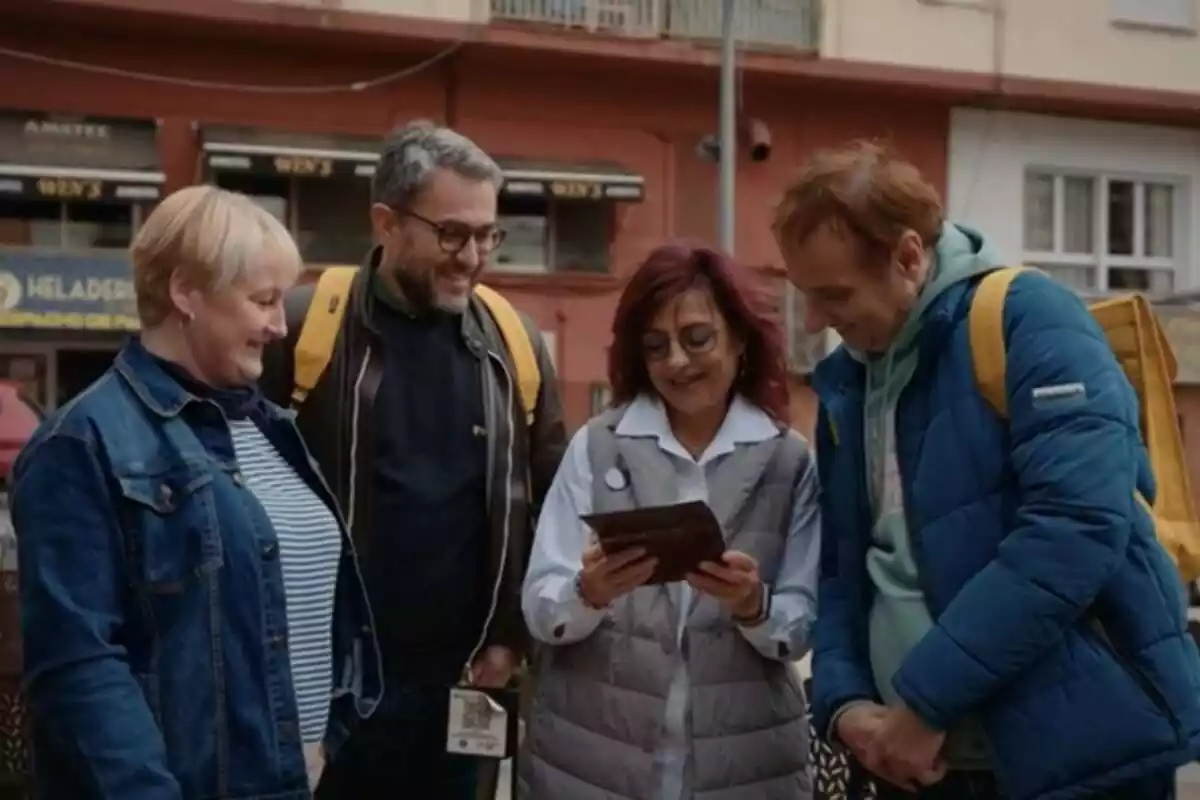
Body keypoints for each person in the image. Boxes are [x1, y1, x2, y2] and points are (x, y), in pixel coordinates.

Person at [776, 140, 1200, 800]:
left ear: (908, 256)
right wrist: (845, 703)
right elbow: (841, 570)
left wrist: (924, 704)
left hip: (1076, 761)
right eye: (805, 296)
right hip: (912, 762)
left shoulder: (1031, 320)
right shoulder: (848, 384)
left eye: (833, 294)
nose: (817, 320)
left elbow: (1075, 531)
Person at [11, 185, 382, 799]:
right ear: (186, 292)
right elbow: (78, 664)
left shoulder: (273, 428)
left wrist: (320, 744)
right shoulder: (81, 443)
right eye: (262, 300)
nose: (278, 325)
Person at [259, 121, 567, 799]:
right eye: (452, 233)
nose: (473, 256)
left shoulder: (515, 344)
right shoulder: (305, 329)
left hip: (464, 684)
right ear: (386, 222)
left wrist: (509, 637)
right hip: (325, 684)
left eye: (487, 235)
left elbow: (555, 505)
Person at [518, 244, 819, 800]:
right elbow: (540, 605)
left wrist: (754, 606)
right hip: (591, 759)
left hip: (748, 765)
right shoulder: (598, 446)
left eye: (697, 338)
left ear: (741, 339)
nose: (677, 361)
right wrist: (587, 593)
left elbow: (801, 627)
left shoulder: (789, 460)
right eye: (656, 347)